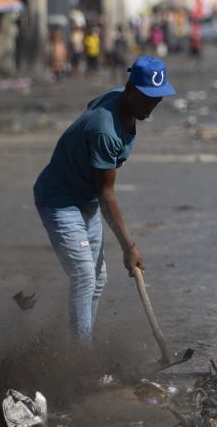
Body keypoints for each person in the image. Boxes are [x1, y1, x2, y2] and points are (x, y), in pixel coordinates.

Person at [33, 56, 176, 345]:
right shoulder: (105, 130)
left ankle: (82, 344)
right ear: (130, 88)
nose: (151, 106)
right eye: (147, 98)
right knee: (85, 276)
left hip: (85, 197)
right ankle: (81, 358)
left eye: (157, 99)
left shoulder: (114, 97)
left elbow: (91, 106)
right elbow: (106, 192)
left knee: (98, 280)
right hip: (60, 200)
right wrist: (128, 248)